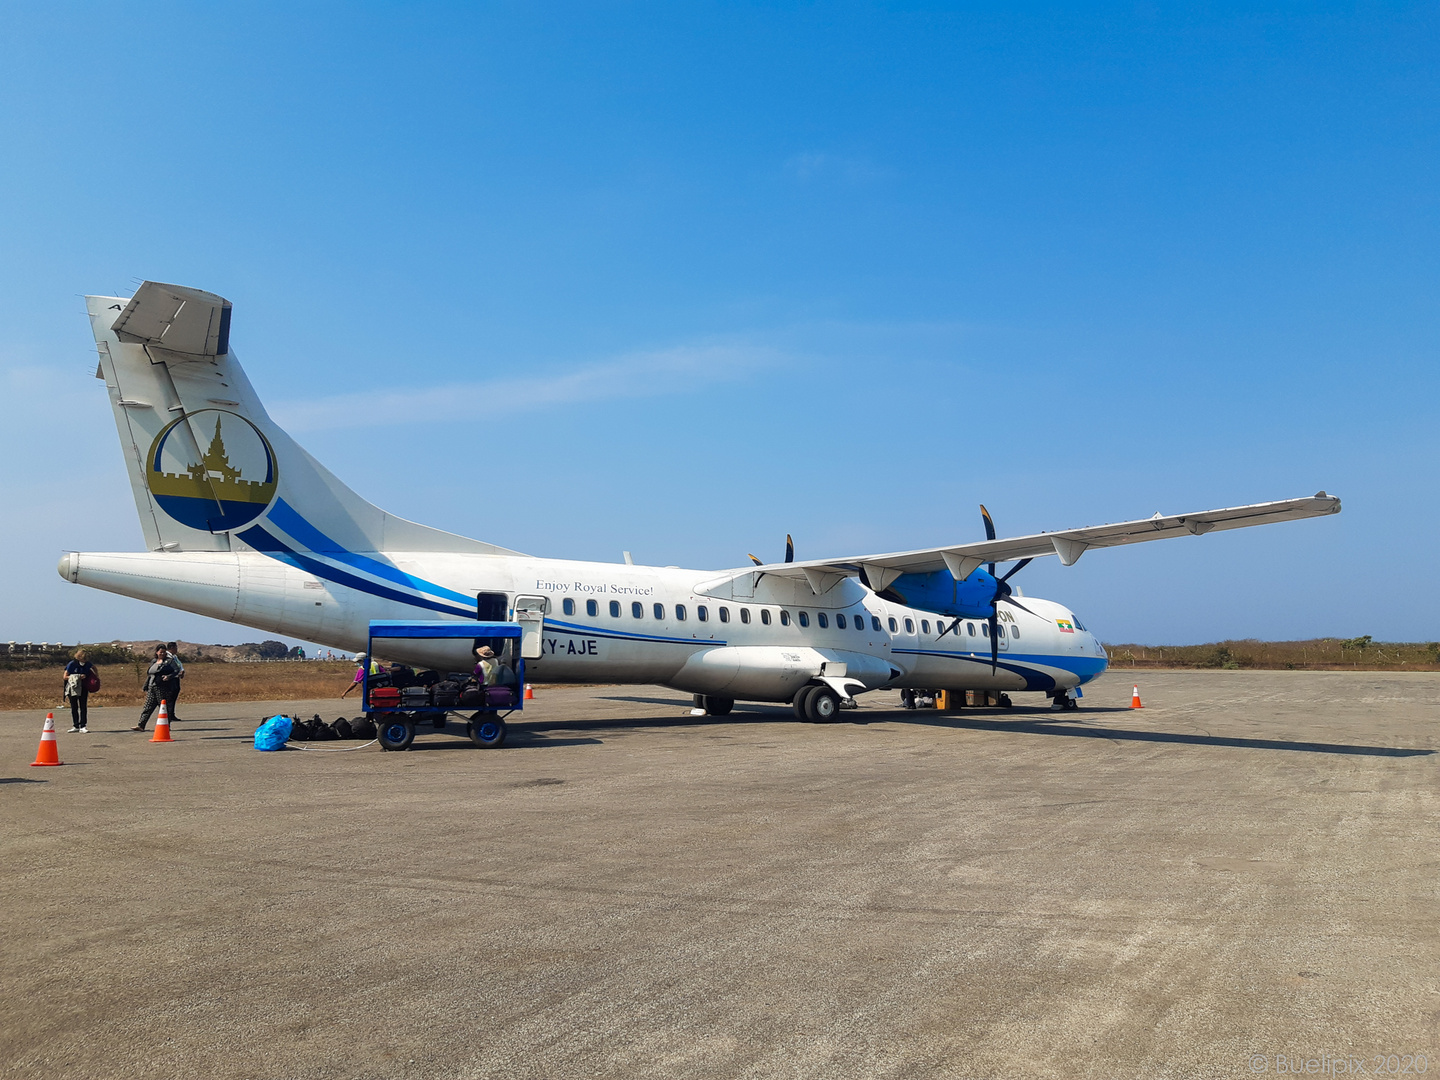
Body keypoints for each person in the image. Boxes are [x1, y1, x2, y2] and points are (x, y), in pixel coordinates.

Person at [133, 645, 181, 732]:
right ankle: (141, 725)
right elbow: (150, 674)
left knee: (163, 707)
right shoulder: (153, 661)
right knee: (148, 707)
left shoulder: (169, 661)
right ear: (157, 652)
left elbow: (177, 670)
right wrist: (146, 685)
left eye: (164, 652)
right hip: (152, 687)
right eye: (160, 652)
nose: (162, 653)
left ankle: (166, 725)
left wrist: (169, 677)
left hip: (162, 687)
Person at [63, 648, 97, 733]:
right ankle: (75, 725)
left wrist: (96, 677)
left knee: (83, 706)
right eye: (83, 659)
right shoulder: (72, 664)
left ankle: (83, 726)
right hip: (73, 687)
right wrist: (77, 676)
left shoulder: (88, 664)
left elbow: (94, 668)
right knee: (74, 707)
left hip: (83, 687)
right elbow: (65, 676)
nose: (85, 661)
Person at [165, 641, 185, 720]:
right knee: (170, 697)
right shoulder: (167, 656)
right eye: (176, 648)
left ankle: (172, 714)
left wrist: (182, 671)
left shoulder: (175, 657)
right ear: (172, 648)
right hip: (171, 679)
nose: (177, 649)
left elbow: (179, 665)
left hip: (176, 678)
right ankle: (169, 714)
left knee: (174, 697)